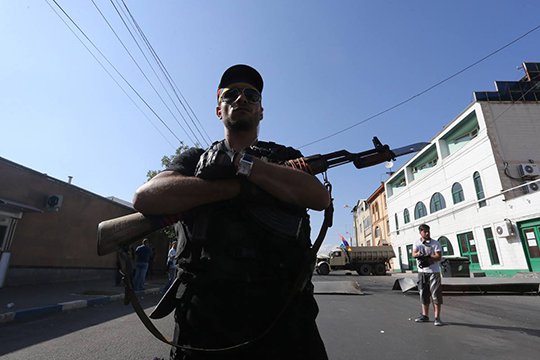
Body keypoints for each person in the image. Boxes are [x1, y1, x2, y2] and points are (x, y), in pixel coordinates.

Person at [133, 64, 330, 359]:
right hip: (206, 321)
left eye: (251, 95)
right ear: (219, 110)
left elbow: (318, 197)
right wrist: (233, 188)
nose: (241, 100)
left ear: (261, 111)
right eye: (231, 94)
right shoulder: (195, 161)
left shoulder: (284, 158)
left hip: (285, 319)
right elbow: (145, 197)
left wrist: (246, 165)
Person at [412, 223, 444, 326]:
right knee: (423, 294)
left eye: (428, 231)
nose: (427, 233)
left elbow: (438, 257)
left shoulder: (435, 243)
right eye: (425, 232)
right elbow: (414, 253)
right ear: (420, 232)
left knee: (436, 295)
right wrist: (419, 255)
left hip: (434, 272)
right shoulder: (417, 242)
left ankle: (437, 318)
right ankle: (425, 316)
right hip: (422, 273)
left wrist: (429, 257)